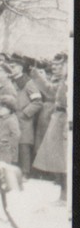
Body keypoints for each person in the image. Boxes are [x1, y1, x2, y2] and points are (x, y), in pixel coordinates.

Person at [32, 53, 68, 201]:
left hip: (65, 120)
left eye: (60, 65)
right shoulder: (63, 81)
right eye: (54, 65)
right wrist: (36, 75)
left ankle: (65, 194)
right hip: (58, 118)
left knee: (65, 159)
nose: (55, 68)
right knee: (59, 159)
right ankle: (63, 193)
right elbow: (50, 90)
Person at [8, 54, 42, 178]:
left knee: (24, 145)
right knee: (12, 145)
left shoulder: (28, 83)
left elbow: (38, 102)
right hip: (11, 117)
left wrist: (25, 114)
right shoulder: (11, 81)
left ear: (21, 68)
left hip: (23, 120)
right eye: (10, 67)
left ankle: (25, 172)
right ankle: (14, 171)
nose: (11, 69)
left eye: (13, 67)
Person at [0, 95, 21, 165]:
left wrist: (10, 145)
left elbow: (16, 134)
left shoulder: (11, 120)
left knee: (3, 168)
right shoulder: (2, 119)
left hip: (5, 151)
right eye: (0, 107)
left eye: (3, 107)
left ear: (10, 109)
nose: (0, 109)